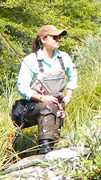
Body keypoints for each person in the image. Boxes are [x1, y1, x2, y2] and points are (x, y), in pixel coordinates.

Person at [16, 24, 77, 154]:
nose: (58, 40)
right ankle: (44, 150)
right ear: (43, 39)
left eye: (59, 37)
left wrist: (68, 95)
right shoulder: (31, 60)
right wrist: (42, 98)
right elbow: (21, 86)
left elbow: (73, 77)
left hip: (58, 106)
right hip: (34, 107)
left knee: (54, 140)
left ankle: (48, 151)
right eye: (55, 37)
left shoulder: (64, 57)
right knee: (47, 108)